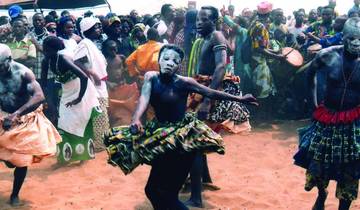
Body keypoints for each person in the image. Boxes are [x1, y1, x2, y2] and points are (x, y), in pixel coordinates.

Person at [104, 44, 257, 210]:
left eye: (175, 61)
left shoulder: (185, 82)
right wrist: (136, 119)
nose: (170, 63)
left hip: (182, 140)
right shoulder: (151, 77)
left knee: (168, 196)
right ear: (159, 60)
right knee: (152, 191)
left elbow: (211, 92)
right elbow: (144, 99)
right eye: (166, 58)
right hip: (160, 136)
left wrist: (240, 99)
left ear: (179, 65)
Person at [293, 17, 360, 210]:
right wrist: (313, 104)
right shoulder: (327, 55)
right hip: (327, 117)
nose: (356, 43)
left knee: (351, 168)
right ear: (343, 37)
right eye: (352, 38)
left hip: (354, 121)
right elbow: (309, 74)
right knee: (318, 164)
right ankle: (322, 195)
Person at [0, 44, 61, 206]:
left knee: (21, 160)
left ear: (9, 60)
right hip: (3, 117)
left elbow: (39, 96)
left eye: (0, 66)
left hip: (25, 119)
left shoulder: (24, 73)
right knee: (8, 159)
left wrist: (17, 114)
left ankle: (14, 194)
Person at [42, 36, 100, 164]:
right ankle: (64, 158)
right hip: (67, 91)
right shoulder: (46, 61)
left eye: (46, 49)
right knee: (63, 123)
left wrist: (79, 98)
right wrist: (49, 102)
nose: (44, 52)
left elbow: (84, 77)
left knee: (81, 123)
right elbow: (44, 84)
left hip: (82, 90)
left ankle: (83, 157)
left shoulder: (63, 59)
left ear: (54, 50)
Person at [74, 17, 110, 152]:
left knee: (102, 112)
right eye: (96, 27)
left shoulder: (90, 43)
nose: (99, 29)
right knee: (99, 113)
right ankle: (100, 143)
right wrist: (92, 73)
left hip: (100, 83)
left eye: (99, 27)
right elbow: (77, 61)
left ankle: (102, 141)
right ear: (88, 30)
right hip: (94, 84)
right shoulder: (84, 43)